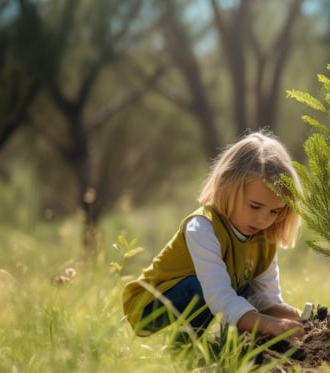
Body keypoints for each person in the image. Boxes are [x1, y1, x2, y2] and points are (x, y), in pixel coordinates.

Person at [122, 131, 304, 342]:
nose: (264, 220)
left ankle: (235, 345)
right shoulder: (202, 227)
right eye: (255, 206)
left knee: (245, 288)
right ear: (228, 186)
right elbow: (219, 296)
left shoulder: (264, 239)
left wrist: (294, 317)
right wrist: (268, 323)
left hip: (210, 296)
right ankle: (182, 349)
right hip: (148, 307)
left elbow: (265, 298)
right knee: (203, 288)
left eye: (275, 211)